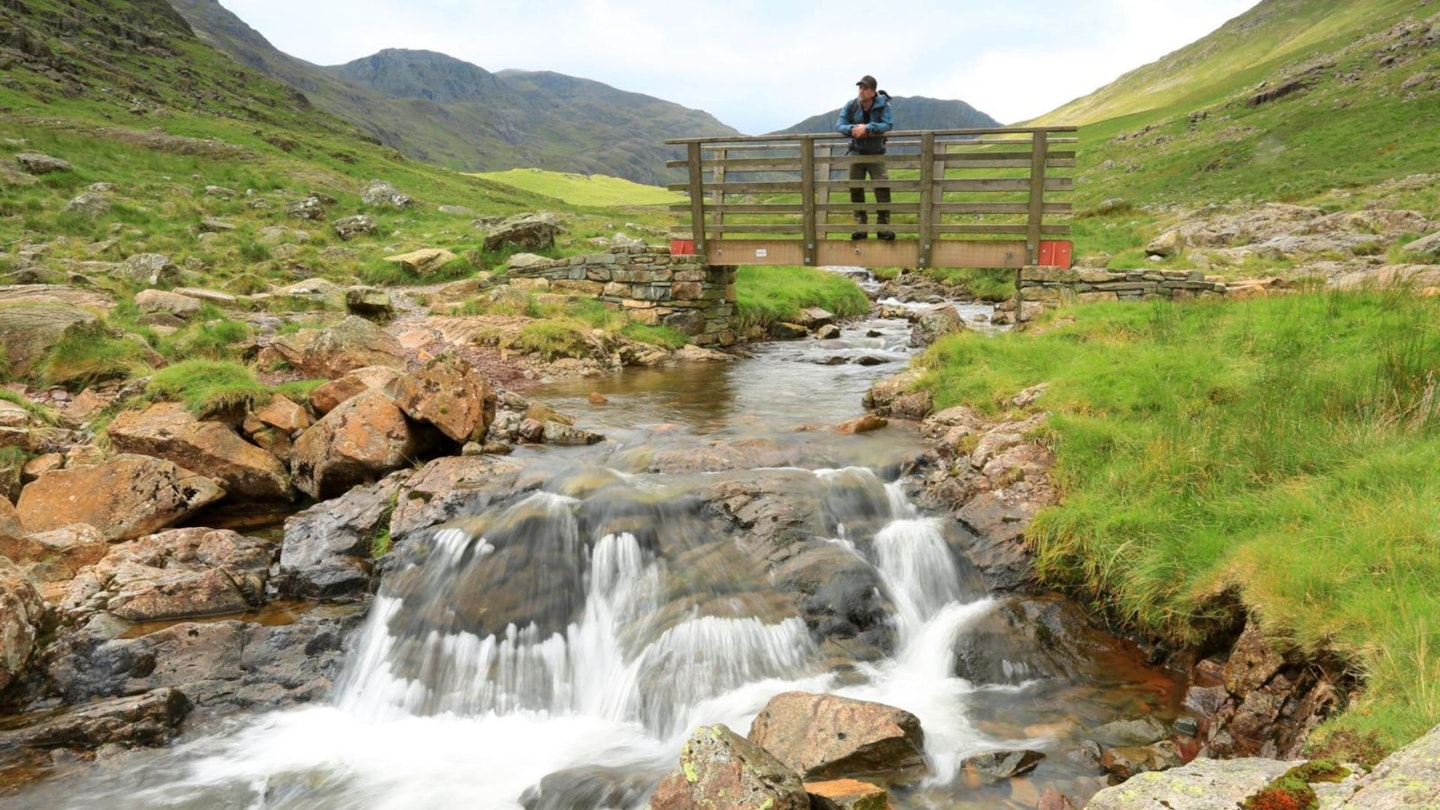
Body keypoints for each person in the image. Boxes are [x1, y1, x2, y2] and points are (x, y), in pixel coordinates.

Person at [835, 75, 893, 240]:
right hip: (857, 154)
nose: (861, 91)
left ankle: (884, 229)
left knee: (882, 190)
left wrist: (867, 128)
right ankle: (861, 228)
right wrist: (855, 128)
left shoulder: (883, 105)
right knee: (856, 190)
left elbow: (888, 125)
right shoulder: (851, 105)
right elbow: (839, 125)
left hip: (876, 154)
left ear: (873, 92)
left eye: (865, 88)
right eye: (860, 87)